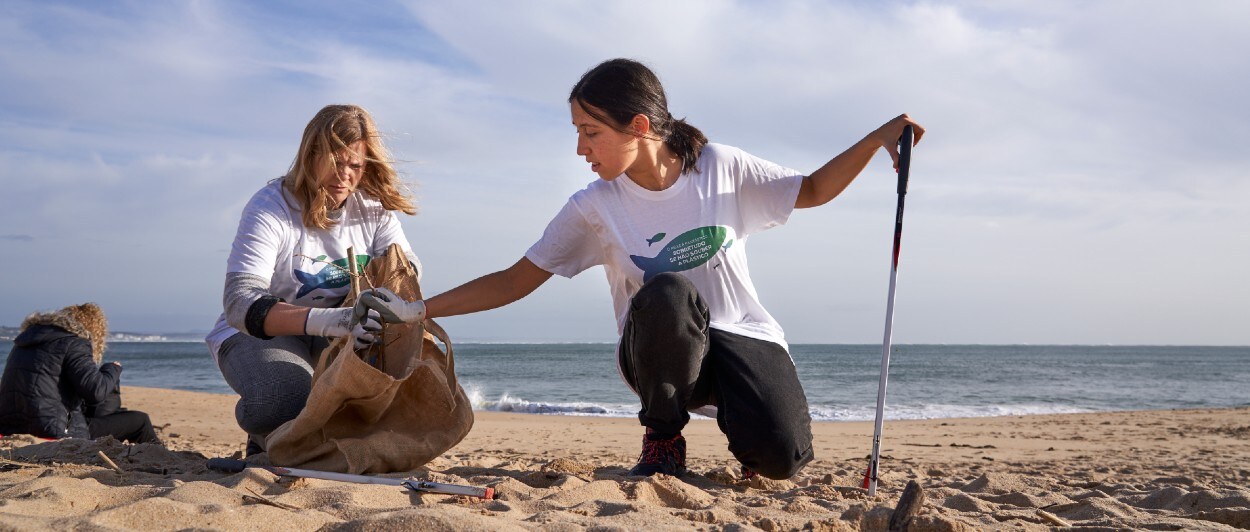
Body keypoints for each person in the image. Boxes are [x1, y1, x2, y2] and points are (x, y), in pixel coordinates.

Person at [358, 59, 925, 480]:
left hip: (741, 338)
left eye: (590, 132)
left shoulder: (718, 167)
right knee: (668, 292)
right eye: (577, 132)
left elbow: (814, 190)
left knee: (782, 458)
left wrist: (877, 139)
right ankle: (663, 438)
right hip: (658, 350)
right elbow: (515, 280)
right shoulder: (594, 206)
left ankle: (746, 424)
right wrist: (417, 309)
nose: (581, 148)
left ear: (638, 127)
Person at [204, 104, 419, 456]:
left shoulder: (372, 209)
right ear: (310, 154)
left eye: (355, 165)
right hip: (259, 332)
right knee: (285, 398)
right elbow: (239, 302)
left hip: (341, 332)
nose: (344, 175)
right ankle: (263, 431)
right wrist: (334, 320)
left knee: (387, 398)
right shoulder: (271, 206)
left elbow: (407, 268)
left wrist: (385, 295)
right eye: (336, 160)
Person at [0, 303, 159, 444]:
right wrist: (112, 369)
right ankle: (164, 462)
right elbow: (96, 392)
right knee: (140, 420)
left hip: (11, 428)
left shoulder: (24, 342)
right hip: (58, 429)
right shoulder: (74, 342)